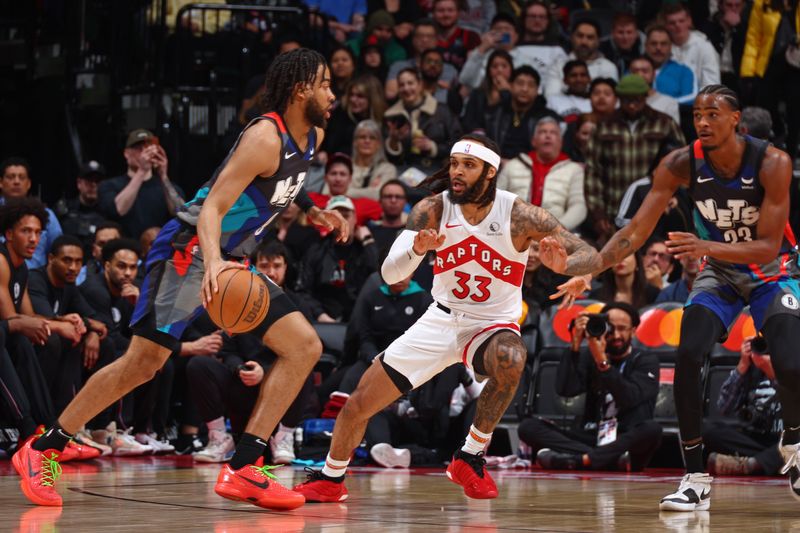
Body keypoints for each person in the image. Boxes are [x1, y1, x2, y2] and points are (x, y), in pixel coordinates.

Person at [15, 48, 349, 510]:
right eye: (326, 84)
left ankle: (246, 465)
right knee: (143, 364)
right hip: (188, 250)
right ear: (300, 90)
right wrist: (212, 263)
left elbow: (286, 181)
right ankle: (42, 448)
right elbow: (212, 208)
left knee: (305, 346)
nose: (334, 93)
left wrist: (314, 210)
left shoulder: (312, 134)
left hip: (233, 257)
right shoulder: (264, 136)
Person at [293, 134, 600, 502]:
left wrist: (571, 268)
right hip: (439, 319)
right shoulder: (432, 209)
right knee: (359, 403)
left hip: (490, 324)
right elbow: (391, 274)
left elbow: (589, 254)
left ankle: (469, 456)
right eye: (454, 163)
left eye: (468, 165)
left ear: (489, 172)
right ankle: (331, 477)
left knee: (512, 357)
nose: (457, 171)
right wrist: (417, 250)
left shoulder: (519, 215)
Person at [552, 85, 800, 511]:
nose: (702, 122)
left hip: (772, 271)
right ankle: (695, 478)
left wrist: (706, 247)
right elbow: (635, 231)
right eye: (697, 115)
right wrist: (589, 270)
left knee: (792, 362)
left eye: (713, 114)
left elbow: (765, 245)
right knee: (687, 354)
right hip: (719, 272)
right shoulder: (680, 163)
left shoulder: (772, 162)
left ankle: (795, 441)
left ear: (736, 119)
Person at [522, 302, 663, 472]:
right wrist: (574, 345)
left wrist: (602, 363)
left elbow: (628, 398)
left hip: (626, 436)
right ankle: (602, 460)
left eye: (622, 328)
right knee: (528, 427)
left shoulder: (645, 360)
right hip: (592, 434)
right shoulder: (590, 355)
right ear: (603, 328)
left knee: (652, 430)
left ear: (633, 331)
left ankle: (578, 459)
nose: (616, 335)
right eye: (611, 329)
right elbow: (565, 390)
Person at [583, 74, 685, 243]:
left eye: (636, 100)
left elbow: (681, 166)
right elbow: (593, 172)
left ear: (646, 97)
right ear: (618, 99)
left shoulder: (664, 123)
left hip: (656, 208)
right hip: (614, 211)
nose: (631, 105)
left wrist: (675, 197)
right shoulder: (603, 126)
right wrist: (598, 214)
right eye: (626, 100)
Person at [704, 335, 784, 476]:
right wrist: (742, 365)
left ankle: (750, 465)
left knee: (793, 445)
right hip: (755, 439)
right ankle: (767, 462)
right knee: (706, 429)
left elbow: (794, 401)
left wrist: (772, 372)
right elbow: (724, 408)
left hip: (788, 438)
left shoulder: (793, 363)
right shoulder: (751, 367)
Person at [296, 195, 379, 322]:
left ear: (355, 218)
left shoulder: (364, 249)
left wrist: (368, 242)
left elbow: (379, 280)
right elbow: (302, 291)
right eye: (336, 218)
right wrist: (320, 316)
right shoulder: (316, 250)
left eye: (346, 216)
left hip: (359, 321)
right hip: (323, 321)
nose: (342, 222)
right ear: (327, 222)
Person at [496, 117, 586, 231]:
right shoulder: (513, 165)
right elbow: (496, 200)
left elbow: (579, 206)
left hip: (555, 234)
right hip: (512, 230)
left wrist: (557, 229)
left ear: (561, 142)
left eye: (553, 132)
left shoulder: (574, 170)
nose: (548, 136)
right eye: (543, 132)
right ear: (534, 141)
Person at [97, 129, 185, 240]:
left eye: (148, 148)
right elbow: (118, 210)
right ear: (126, 153)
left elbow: (180, 212)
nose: (144, 153)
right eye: (139, 148)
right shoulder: (110, 185)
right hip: (124, 251)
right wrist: (142, 171)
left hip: (159, 250)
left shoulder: (168, 186)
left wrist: (163, 176)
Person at [384, 68, 462, 175]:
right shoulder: (391, 116)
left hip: (437, 170)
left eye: (410, 83)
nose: (406, 88)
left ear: (420, 85)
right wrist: (394, 141)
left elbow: (458, 143)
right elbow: (389, 158)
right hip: (403, 172)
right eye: (402, 85)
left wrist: (433, 147)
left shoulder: (442, 111)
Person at [483, 65, 560, 160]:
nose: (525, 89)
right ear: (510, 86)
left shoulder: (546, 117)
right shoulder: (496, 113)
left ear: (537, 91)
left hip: (533, 167)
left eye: (531, 85)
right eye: (520, 83)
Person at [0, 158, 63, 269]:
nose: (16, 181)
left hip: (36, 280)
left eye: (21, 177)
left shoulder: (45, 214)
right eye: (11, 177)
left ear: (29, 183)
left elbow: (59, 251)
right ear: (1, 182)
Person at [385, 19, 459, 101]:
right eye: (420, 36)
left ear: (436, 40)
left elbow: (452, 99)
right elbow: (390, 94)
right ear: (413, 39)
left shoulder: (448, 70)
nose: (425, 40)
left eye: (430, 36)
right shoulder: (399, 66)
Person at [544, 20, 618, 99]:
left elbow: (610, 100)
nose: (584, 42)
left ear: (598, 41)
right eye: (580, 36)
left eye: (590, 37)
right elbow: (551, 98)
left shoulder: (608, 67)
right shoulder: (557, 66)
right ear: (572, 38)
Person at [662, 3, 722, 90]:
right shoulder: (662, 46)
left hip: (698, 100)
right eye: (672, 23)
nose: (677, 25)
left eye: (681, 21)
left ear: (689, 21)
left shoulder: (704, 47)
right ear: (666, 26)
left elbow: (712, 84)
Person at [55, 160, 108, 256]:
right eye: (89, 180)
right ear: (79, 183)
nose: (93, 185)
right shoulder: (64, 210)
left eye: (98, 181)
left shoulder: (108, 212)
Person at [645, 25, 697, 105]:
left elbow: (691, 98)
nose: (658, 48)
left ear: (670, 47)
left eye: (663, 44)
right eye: (653, 43)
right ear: (646, 46)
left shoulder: (684, 72)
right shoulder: (635, 69)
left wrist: (661, 103)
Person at [349, 120, 397, 200]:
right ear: (355, 142)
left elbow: (379, 195)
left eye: (372, 138)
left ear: (378, 144)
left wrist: (344, 192)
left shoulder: (388, 169)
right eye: (362, 137)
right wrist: (369, 191)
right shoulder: (343, 166)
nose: (367, 141)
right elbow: (327, 193)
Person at [629, 55, 681, 126]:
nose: (640, 75)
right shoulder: (621, 103)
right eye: (635, 71)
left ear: (653, 75)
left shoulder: (669, 103)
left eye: (645, 71)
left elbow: (673, 133)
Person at [367, 180, 408, 252]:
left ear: (405, 201)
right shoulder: (369, 234)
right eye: (388, 196)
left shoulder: (411, 234)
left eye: (398, 197)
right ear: (380, 201)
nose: (393, 200)